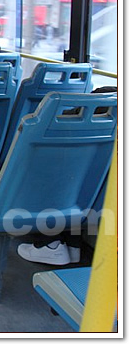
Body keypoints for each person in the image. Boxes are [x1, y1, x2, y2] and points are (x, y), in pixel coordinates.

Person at [16, 85, 117, 266]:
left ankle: (50, 245)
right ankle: (72, 245)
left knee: (48, 169)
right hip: (93, 203)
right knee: (83, 177)